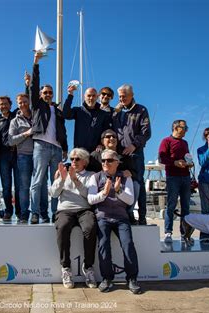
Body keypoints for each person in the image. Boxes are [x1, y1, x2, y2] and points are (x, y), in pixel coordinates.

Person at [87, 149, 141, 294]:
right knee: (103, 244)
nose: (105, 163)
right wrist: (104, 193)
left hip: (121, 218)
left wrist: (118, 191)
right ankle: (107, 278)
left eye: (109, 160)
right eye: (103, 160)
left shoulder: (125, 177)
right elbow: (91, 199)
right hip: (102, 217)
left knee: (128, 244)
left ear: (117, 162)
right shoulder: (95, 177)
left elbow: (130, 200)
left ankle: (132, 279)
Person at [27, 52, 69, 224]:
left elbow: (63, 130)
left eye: (50, 92)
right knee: (37, 181)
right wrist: (36, 64)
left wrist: (65, 147)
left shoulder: (57, 111)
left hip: (57, 149)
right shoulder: (37, 106)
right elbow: (34, 85)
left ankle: (55, 212)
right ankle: (35, 212)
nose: (48, 94)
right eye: (45, 92)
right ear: (40, 94)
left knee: (56, 182)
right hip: (42, 146)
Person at [50, 148, 97, 289]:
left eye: (77, 159)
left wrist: (76, 180)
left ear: (85, 162)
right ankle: (66, 267)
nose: (73, 162)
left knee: (90, 227)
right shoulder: (63, 174)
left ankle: (88, 267)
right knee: (63, 227)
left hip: (84, 209)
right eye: (71, 159)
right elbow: (53, 194)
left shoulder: (91, 175)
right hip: (65, 210)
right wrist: (62, 179)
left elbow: (89, 195)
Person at [112, 84, 151, 225]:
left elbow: (146, 132)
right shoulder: (116, 112)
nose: (121, 99)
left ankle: (142, 217)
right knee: (120, 183)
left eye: (124, 96)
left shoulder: (141, 110)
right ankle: (126, 214)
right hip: (119, 155)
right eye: (120, 96)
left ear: (131, 95)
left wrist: (134, 145)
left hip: (136, 154)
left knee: (138, 184)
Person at [158, 119, 193, 243]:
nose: (186, 130)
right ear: (176, 127)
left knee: (186, 207)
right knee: (171, 205)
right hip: (173, 177)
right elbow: (161, 158)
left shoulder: (185, 143)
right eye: (184, 127)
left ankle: (185, 234)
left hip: (186, 176)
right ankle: (168, 232)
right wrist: (174, 163)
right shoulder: (166, 141)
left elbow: (187, 157)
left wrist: (189, 164)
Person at [0, 96, 20, 221]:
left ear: (10, 105)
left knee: (19, 185)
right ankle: (8, 211)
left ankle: (20, 211)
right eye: (1, 104)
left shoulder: (16, 116)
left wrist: (27, 84)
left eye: (6, 104)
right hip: (3, 156)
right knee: (6, 186)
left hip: (17, 154)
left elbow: (27, 99)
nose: (4, 106)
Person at [8, 93, 34, 223]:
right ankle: (24, 214)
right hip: (23, 156)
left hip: (39, 154)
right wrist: (26, 133)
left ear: (29, 102)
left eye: (25, 101)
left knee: (39, 185)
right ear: (17, 104)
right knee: (24, 187)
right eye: (20, 103)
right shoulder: (15, 121)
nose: (23, 104)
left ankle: (39, 213)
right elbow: (11, 141)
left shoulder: (37, 116)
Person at [62, 87, 112, 153]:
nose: (91, 98)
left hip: (96, 152)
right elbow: (65, 114)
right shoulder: (78, 111)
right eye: (89, 96)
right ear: (84, 97)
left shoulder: (103, 114)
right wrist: (70, 95)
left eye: (93, 96)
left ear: (97, 97)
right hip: (79, 152)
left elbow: (106, 131)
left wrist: (101, 144)